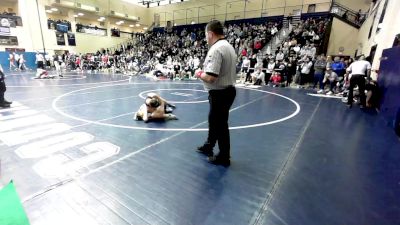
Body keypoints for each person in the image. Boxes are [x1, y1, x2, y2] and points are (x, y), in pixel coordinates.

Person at [195, 20, 237, 167]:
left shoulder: (216, 49)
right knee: (215, 121)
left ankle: (224, 157)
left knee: (220, 125)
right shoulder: (228, 46)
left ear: (211, 34)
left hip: (220, 93)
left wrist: (199, 73)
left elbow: (211, 77)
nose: (206, 38)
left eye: (206, 35)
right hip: (226, 91)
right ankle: (209, 145)